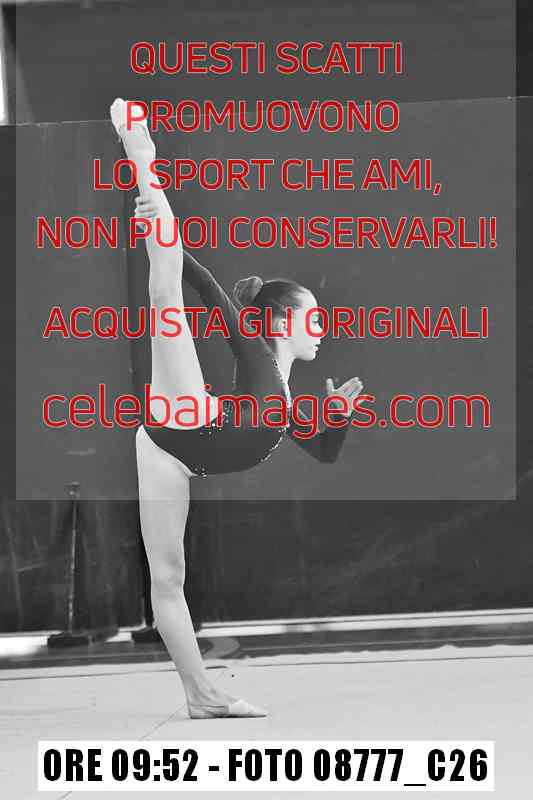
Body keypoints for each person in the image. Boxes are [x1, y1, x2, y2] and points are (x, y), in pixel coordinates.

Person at [110, 99, 364, 719]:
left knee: (168, 577)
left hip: (167, 452)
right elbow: (208, 292)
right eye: (312, 319)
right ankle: (142, 159)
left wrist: (337, 415)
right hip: (189, 415)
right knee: (165, 291)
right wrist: (162, 230)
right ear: (279, 323)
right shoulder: (256, 354)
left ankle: (200, 695)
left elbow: (326, 453)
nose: (321, 330)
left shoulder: (287, 401)